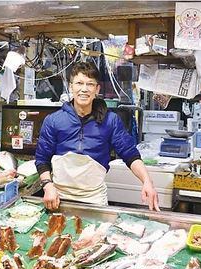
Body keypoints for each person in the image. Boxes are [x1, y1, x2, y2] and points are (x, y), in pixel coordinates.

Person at [35, 62, 159, 211]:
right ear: (70, 87)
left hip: (94, 199)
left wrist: (147, 181)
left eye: (90, 84)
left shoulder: (110, 120)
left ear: (97, 89)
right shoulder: (53, 120)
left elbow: (130, 154)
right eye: (79, 83)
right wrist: (47, 186)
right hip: (58, 197)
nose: (84, 89)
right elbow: (42, 160)